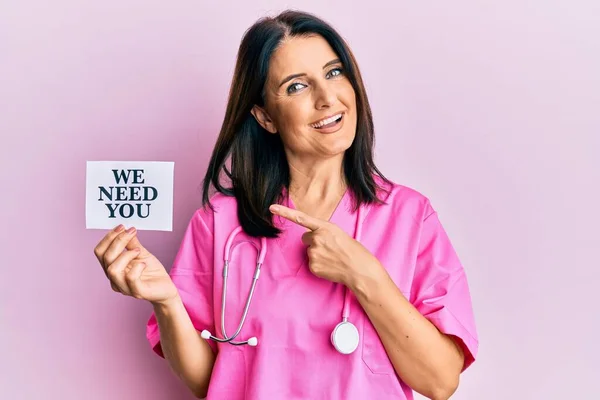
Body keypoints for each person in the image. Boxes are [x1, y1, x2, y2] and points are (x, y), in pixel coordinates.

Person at [93, 9, 478, 400]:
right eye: (297, 87)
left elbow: (440, 381)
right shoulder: (219, 224)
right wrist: (167, 302)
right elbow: (214, 382)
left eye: (333, 72)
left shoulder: (410, 217)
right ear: (264, 116)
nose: (328, 98)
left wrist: (365, 275)